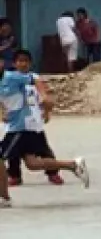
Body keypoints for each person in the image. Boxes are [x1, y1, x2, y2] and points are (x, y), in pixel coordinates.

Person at [0, 49, 90, 207]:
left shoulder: (12, 77)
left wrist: (44, 98)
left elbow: (36, 82)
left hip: (22, 127)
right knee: (32, 163)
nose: (22, 64)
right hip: (17, 125)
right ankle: (73, 165)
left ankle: (5, 198)